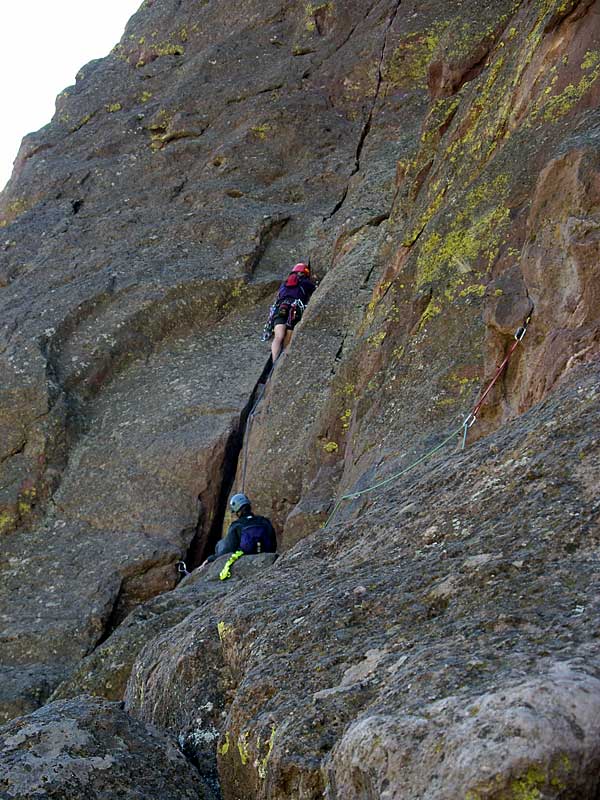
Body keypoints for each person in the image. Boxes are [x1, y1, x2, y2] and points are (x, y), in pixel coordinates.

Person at [263, 262, 317, 362]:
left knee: (278, 336)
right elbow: (316, 290)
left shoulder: (284, 284)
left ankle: (274, 359)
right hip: (295, 308)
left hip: (280, 307)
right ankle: (283, 359)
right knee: (289, 333)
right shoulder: (305, 282)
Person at [206, 493, 276, 563]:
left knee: (220, 543)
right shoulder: (264, 521)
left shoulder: (236, 525)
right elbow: (273, 543)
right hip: (266, 556)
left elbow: (228, 550)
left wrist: (212, 558)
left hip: (245, 559)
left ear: (237, 511)